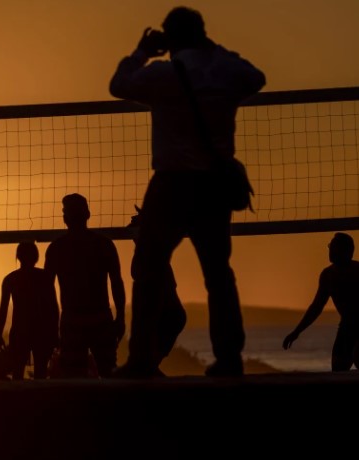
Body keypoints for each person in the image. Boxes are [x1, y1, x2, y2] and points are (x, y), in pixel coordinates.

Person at [109, 6, 266, 378]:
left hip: (172, 182)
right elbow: (256, 77)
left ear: (169, 39)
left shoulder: (163, 75)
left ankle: (141, 360)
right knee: (218, 274)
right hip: (213, 184)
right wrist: (214, 50)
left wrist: (143, 51)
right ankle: (229, 357)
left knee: (148, 271)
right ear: (202, 34)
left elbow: (119, 84)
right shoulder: (226, 70)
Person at [283, 232, 359, 371]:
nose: (330, 250)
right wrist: (296, 332)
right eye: (330, 246)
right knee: (337, 369)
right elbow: (316, 307)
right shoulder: (328, 275)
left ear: (347, 251)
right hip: (347, 325)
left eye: (334, 247)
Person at [44, 193, 126, 378]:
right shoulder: (104, 244)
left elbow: (47, 291)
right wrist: (120, 317)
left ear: (65, 218)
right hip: (94, 318)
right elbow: (116, 282)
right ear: (87, 214)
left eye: (67, 212)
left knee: (75, 379)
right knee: (108, 374)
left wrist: (51, 325)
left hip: (76, 319)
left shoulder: (57, 248)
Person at [0, 241, 60, 380]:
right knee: (41, 372)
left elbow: (3, 309)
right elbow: (53, 307)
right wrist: (55, 332)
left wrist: (0, 334)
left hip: (20, 330)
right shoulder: (45, 277)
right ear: (36, 257)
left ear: (18, 257)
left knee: (17, 372)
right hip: (41, 332)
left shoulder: (10, 279)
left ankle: (18, 401)